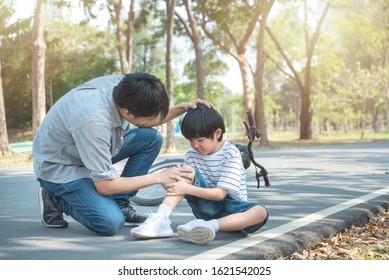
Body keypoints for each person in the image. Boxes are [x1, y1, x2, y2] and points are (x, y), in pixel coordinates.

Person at [33, 73, 209, 236]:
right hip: (61, 166)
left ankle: (120, 203)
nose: (155, 121)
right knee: (110, 222)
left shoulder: (127, 86)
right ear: (127, 113)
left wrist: (184, 107)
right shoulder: (94, 121)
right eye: (150, 119)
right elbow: (104, 185)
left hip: (89, 148)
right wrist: (159, 177)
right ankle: (54, 196)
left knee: (151, 138)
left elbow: (148, 119)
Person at [130, 104, 269, 244]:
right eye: (191, 140)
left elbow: (220, 195)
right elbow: (184, 183)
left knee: (261, 212)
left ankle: (208, 226)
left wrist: (186, 188)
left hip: (234, 212)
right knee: (184, 176)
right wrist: (176, 180)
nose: (195, 145)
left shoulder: (231, 154)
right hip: (206, 208)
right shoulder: (192, 154)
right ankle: (160, 219)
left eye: (200, 140)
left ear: (217, 134)